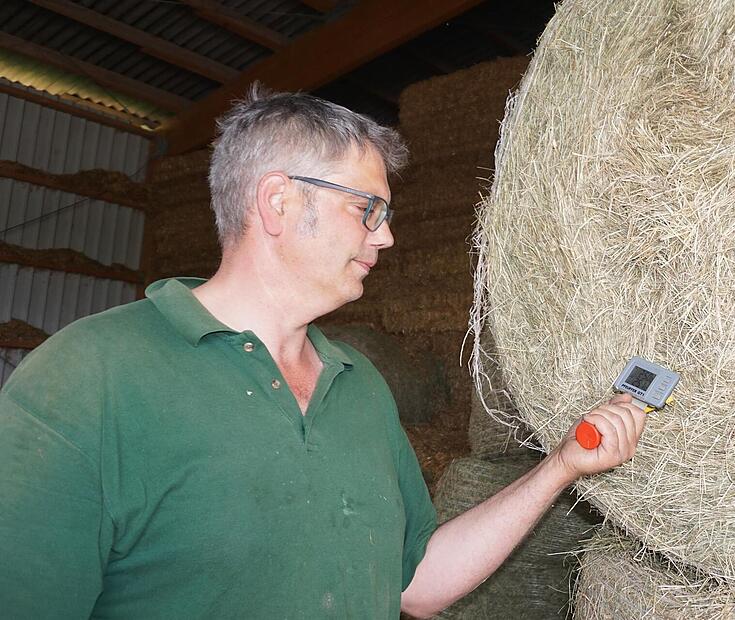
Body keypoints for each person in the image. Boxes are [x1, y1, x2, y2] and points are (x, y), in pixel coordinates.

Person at [0, 87, 647, 618]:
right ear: (278, 202)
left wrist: (562, 466)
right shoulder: (89, 377)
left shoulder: (359, 385)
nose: (387, 237)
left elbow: (417, 584)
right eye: (368, 208)